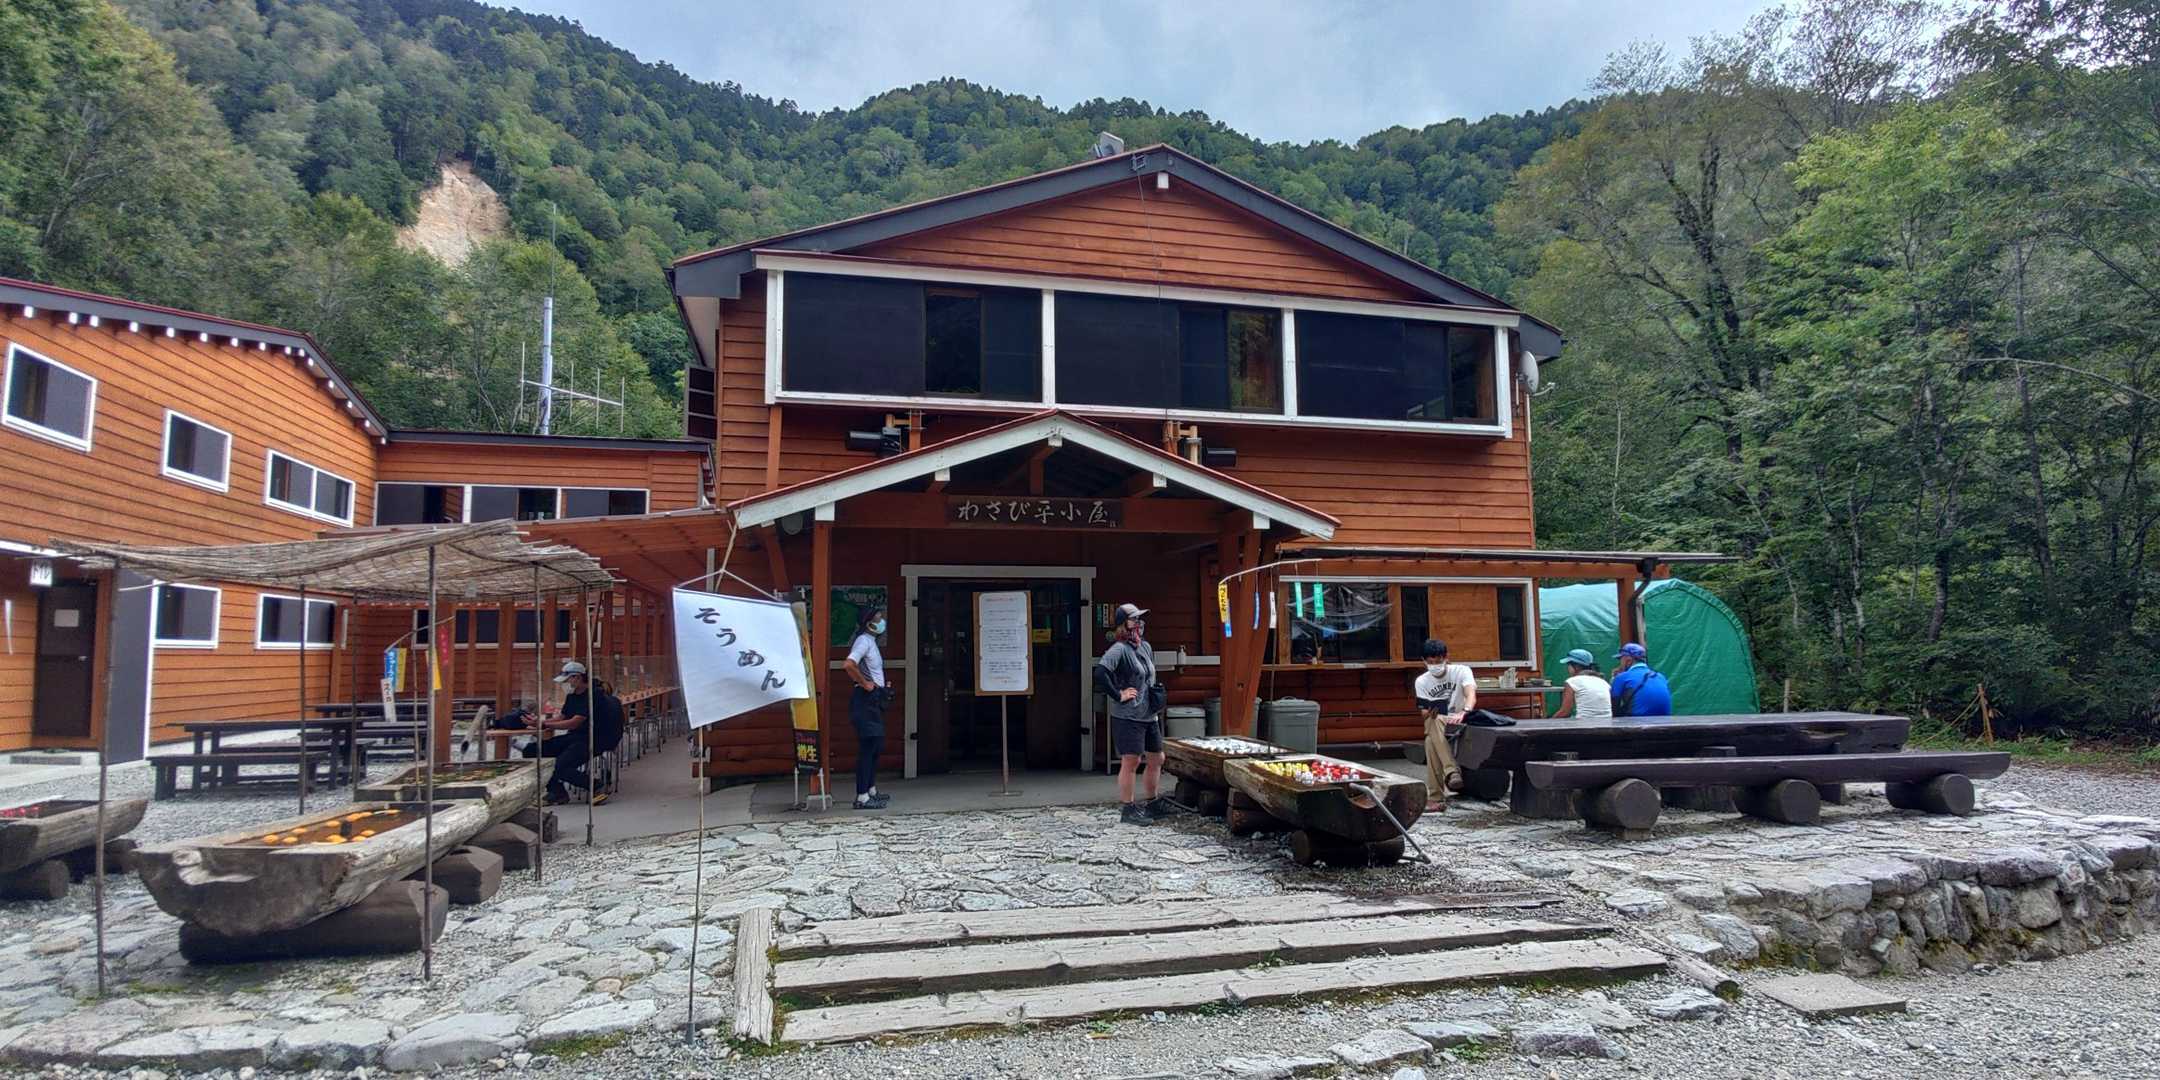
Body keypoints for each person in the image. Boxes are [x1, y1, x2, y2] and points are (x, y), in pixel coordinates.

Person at [1095, 602, 1167, 825]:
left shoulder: (1144, 647)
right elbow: (1101, 673)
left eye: (1139, 618)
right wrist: (1119, 694)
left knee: (1157, 757)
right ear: (1123, 624)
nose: (1139, 622)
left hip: (1149, 713)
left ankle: (1152, 802)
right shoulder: (1119, 649)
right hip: (1128, 715)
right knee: (1131, 761)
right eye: (1134, 619)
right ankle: (1128, 809)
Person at [523, 661, 623, 805]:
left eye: (567, 680)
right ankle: (557, 791)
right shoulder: (572, 696)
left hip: (595, 740)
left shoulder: (594, 695)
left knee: (559, 766)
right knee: (531, 751)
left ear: (577, 677)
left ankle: (595, 785)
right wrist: (538, 722)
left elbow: (574, 722)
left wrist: (544, 724)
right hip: (576, 737)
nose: (565, 684)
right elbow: (563, 717)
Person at [1412, 639, 1473, 812]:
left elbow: (1471, 694)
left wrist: (1465, 711)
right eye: (1430, 662)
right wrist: (1430, 711)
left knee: (1430, 739)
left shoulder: (1462, 671)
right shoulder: (1421, 681)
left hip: (1461, 719)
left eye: (1438, 661)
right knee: (1433, 726)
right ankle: (1452, 772)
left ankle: (1436, 796)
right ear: (1424, 661)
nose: (1434, 665)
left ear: (1446, 658)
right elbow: (1424, 713)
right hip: (1438, 720)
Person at [842, 605, 891, 810]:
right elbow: (849, 664)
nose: (882, 622)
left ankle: (871, 790)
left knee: (876, 746)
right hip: (865, 699)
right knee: (868, 746)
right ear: (869, 623)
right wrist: (865, 683)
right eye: (878, 619)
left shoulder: (871, 642)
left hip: (874, 698)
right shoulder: (863, 641)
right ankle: (862, 796)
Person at [1608, 643, 1673, 717]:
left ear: (1628, 660)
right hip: (1666, 721)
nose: (1620, 663)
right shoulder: (1660, 676)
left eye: (1620, 659)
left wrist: (1613, 682)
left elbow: (1614, 708)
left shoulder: (1622, 677)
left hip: (1637, 722)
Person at [1554, 648, 1613, 721]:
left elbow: (1565, 712)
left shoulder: (1572, 682)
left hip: (1584, 725)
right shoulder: (1603, 682)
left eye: (1568, 665)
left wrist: (1549, 722)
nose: (1567, 668)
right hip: (1608, 723)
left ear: (1577, 666)